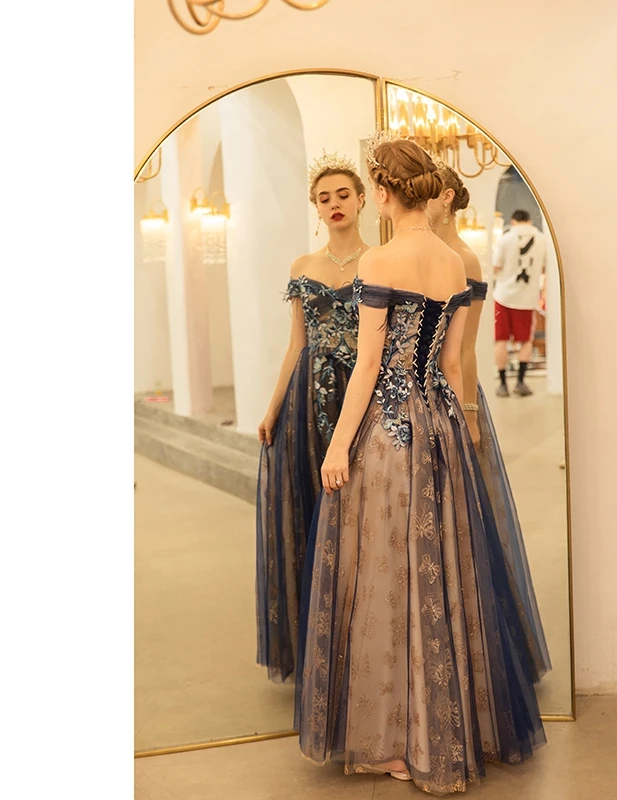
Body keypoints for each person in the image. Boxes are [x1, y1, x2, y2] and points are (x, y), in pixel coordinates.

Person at [295, 136, 546, 794]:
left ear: (380, 193)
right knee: (441, 572)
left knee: (386, 574)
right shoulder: (454, 261)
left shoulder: (380, 258)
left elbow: (370, 368)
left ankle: (395, 742)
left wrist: (338, 445)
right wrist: (461, 427)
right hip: (440, 427)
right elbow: (453, 364)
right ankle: (447, 730)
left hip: (390, 431)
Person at [428, 159, 551, 684]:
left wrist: (469, 413)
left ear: (447, 199)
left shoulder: (464, 258)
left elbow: (466, 349)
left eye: (428, 192)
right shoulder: (417, 253)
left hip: (451, 393)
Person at [255, 152, 368, 683]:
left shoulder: (382, 261)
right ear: (316, 208)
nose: (334, 204)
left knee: (360, 511)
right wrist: (273, 406)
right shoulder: (302, 267)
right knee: (311, 511)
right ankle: (319, 647)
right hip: (307, 400)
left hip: (362, 395)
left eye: (343, 194)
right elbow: (296, 343)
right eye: (324, 198)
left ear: (362, 199)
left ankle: (362, 638)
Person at [492, 209, 548, 397]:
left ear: (513, 221)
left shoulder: (505, 238)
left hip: (503, 297)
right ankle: (520, 382)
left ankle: (502, 384)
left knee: (501, 339)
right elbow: (544, 268)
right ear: (530, 221)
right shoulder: (542, 239)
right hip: (527, 298)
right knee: (525, 340)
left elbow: (495, 266)